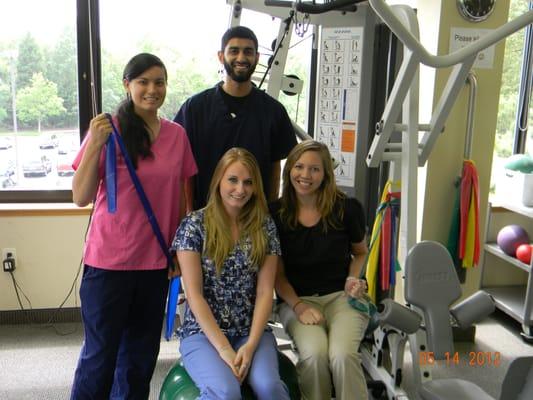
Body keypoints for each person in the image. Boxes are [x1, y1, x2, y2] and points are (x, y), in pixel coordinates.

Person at [70, 53, 197, 399]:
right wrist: (95, 142)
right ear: (127, 85)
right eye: (143, 82)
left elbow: (183, 201)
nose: (152, 90)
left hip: (155, 263)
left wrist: (178, 252)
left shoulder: (177, 135)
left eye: (159, 82)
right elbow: (80, 196)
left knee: (139, 360)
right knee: (100, 357)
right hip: (108, 263)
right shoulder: (108, 130)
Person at [171, 147, 290, 400]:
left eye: (248, 182)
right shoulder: (194, 225)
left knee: (270, 388)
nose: (240, 189)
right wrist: (224, 349)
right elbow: (194, 296)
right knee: (226, 392)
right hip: (202, 334)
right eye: (233, 180)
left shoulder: (264, 226)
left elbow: (264, 291)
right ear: (218, 182)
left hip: (250, 331)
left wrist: (251, 345)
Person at [270, 140, 370, 400]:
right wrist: (299, 307)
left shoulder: (347, 208)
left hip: (341, 297)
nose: (305, 175)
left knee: (343, 356)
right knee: (314, 356)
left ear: (326, 174)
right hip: (297, 301)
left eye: (314, 169)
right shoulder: (275, 214)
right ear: (289, 169)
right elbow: (276, 276)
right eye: (299, 167)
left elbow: (360, 252)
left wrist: (352, 278)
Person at [174, 25, 297, 210]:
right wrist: (190, 213)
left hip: (253, 219)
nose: (241, 58)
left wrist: (269, 212)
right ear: (221, 56)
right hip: (206, 216)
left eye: (248, 51)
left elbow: (275, 168)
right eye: (234, 51)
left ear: (256, 57)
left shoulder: (273, 111)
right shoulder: (195, 108)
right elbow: (186, 168)